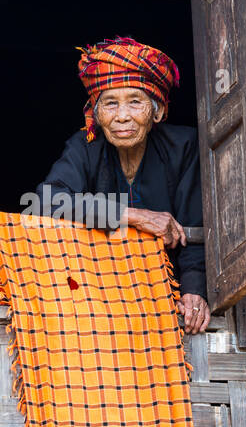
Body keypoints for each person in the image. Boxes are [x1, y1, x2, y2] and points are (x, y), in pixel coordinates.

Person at [30, 35, 211, 335]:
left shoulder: (184, 147)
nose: (122, 116)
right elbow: (48, 202)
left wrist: (193, 289)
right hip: (95, 295)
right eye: (110, 104)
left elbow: (195, 224)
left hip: (167, 296)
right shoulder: (84, 148)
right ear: (95, 113)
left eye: (135, 102)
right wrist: (136, 216)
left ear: (158, 111)